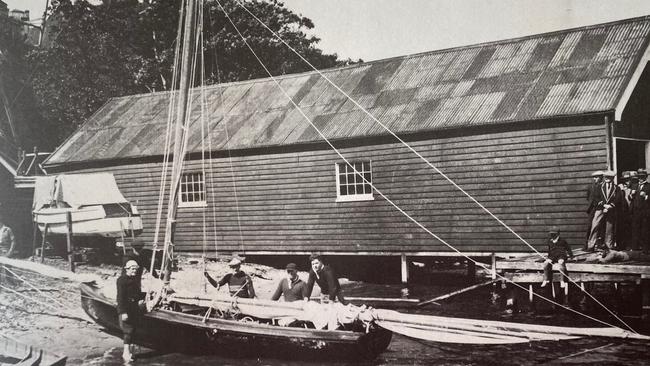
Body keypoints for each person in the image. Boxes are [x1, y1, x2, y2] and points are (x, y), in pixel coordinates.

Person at [117, 260, 146, 362]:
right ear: (127, 269)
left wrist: (147, 294)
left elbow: (137, 294)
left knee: (133, 330)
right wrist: (122, 312)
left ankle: (130, 352)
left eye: (136, 269)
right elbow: (120, 297)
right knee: (128, 331)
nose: (135, 271)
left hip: (134, 309)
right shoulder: (121, 280)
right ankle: (125, 353)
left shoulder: (134, 280)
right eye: (133, 269)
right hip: (126, 309)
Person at [586, 170, 623, 250]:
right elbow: (596, 197)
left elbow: (618, 198)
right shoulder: (599, 187)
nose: (607, 179)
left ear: (613, 178)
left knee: (609, 228)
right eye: (606, 177)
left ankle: (609, 245)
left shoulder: (616, 188)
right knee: (595, 225)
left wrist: (611, 205)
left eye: (609, 177)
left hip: (610, 209)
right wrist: (604, 205)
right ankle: (591, 245)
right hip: (600, 209)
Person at [585, 170, 604, 245]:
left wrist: (601, 202)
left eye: (596, 177)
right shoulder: (591, 186)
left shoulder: (603, 186)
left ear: (601, 178)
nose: (594, 179)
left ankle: (599, 244)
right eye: (594, 177)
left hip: (600, 208)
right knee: (590, 226)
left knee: (599, 226)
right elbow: (588, 197)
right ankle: (587, 244)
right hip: (592, 208)